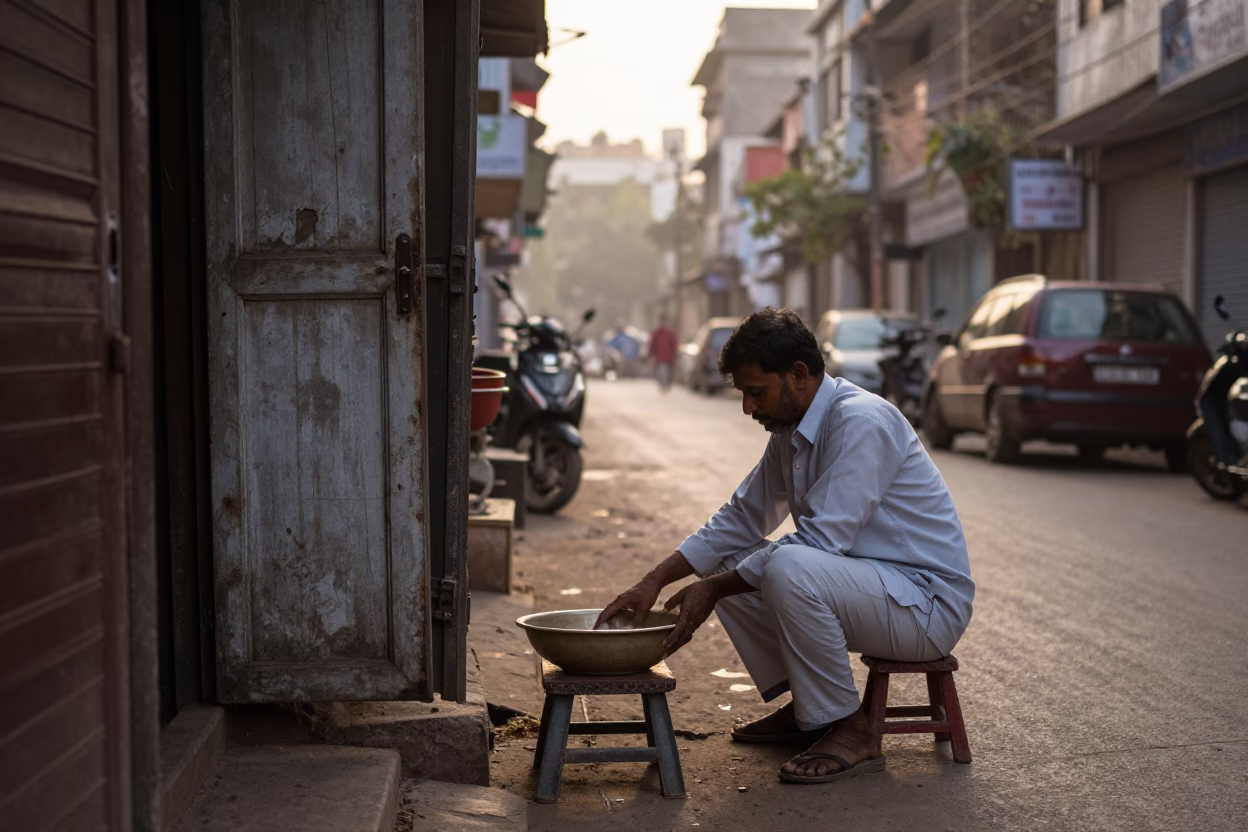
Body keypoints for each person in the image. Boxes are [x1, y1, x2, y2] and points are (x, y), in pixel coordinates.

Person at [596, 307, 974, 785]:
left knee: (783, 566)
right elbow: (741, 517)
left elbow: (822, 541)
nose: (749, 408)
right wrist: (654, 580)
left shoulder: (862, 421)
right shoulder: (792, 431)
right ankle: (810, 708)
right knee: (734, 561)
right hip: (873, 592)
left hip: (924, 608)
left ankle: (848, 727)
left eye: (756, 392)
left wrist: (712, 589)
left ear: (797, 375)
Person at [649, 318, 679, 391]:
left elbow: (674, 344)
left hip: (668, 357)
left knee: (668, 371)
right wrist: (651, 354)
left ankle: (666, 384)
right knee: (660, 371)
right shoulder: (657, 333)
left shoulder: (670, 333)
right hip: (659, 356)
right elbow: (652, 344)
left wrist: (675, 354)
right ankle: (662, 384)